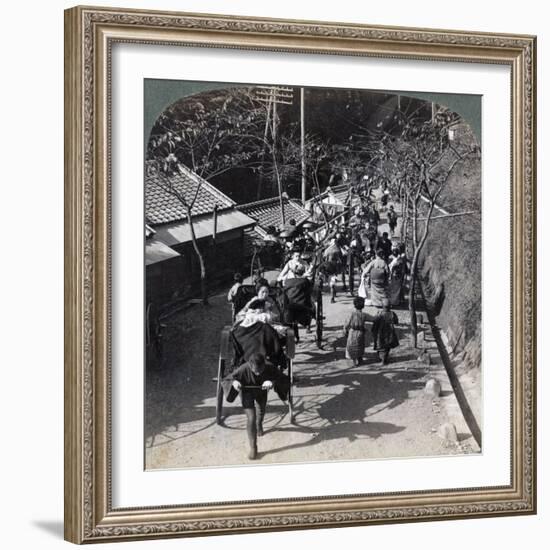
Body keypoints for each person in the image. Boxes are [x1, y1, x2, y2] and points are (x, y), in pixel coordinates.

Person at [223, 352, 289, 460]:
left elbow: (282, 377)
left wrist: (272, 382)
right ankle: (253, 447)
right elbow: (229, 378)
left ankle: (259, 423)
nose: (258, 374)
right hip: (246, 392)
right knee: (251, 418)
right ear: (250, 365)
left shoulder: (269, 367)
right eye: (255, 371)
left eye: (260, 371)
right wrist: (235, 382)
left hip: (261, 392)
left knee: (261, 411)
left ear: (264, 365)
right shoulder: (243, 368)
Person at [343, 296, 373, 366]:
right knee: (360, 346)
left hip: (352, 332)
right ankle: (360, 358)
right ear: (363, 306)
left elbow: (346, 324)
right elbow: (373, 319)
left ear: (354, 305)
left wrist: (345, 331)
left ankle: (353, 360)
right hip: (360, 333)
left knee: (351, 345)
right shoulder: (364, 315)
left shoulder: (351, 314)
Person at [372, 299, 399, 365]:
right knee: (387, 346)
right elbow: (396, 322)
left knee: (381, 346)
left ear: (382, 306)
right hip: (389, 332)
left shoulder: (379, 314)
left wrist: (373, 330)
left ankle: (382, 359)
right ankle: (385, 359)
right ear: (390, 306)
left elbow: (375, 323)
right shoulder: (392, 314)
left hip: (380, 333)